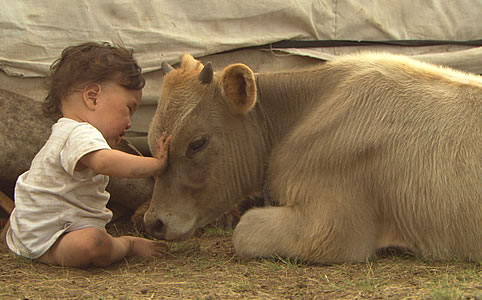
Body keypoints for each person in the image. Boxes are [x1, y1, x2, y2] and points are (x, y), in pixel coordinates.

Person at [3, 42, 171, 267]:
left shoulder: (64, 131)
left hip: (40, 227)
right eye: (128, 109)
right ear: (93, 97)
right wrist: (156, 165)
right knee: (93, 245)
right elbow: (105, 161)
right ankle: (126, 244)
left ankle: (21, 239)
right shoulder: (80, 132)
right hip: (56, 232)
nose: (130, 122)